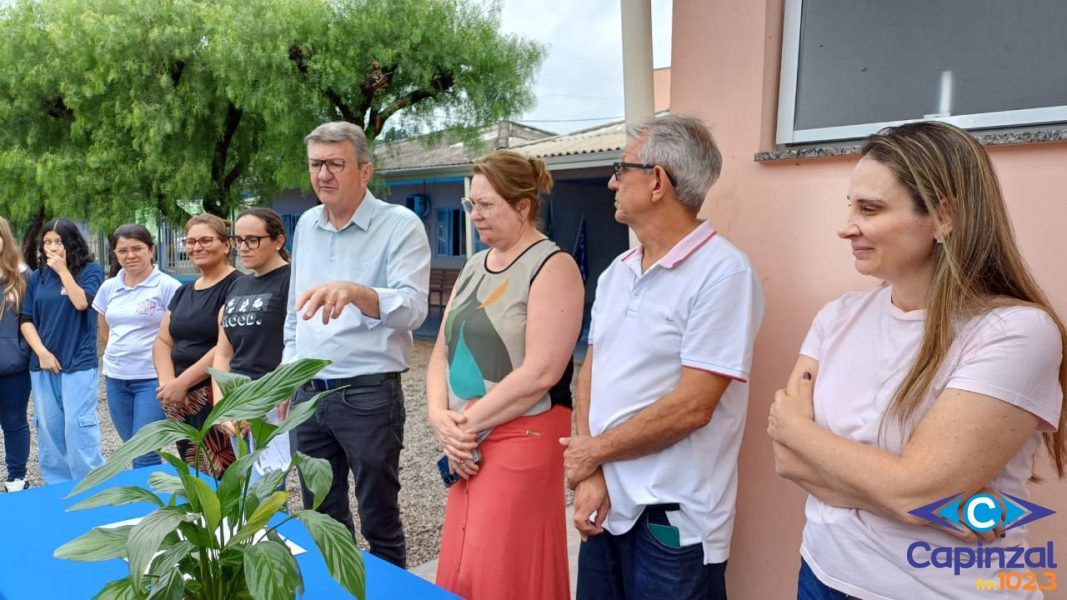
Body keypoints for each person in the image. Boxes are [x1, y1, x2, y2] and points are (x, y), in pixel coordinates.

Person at [767, 121, 1066, 599]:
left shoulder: (1015, 332)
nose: (846, 226)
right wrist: (917, 499)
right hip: (823, 575)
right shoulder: (836, 317)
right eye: (851, 206)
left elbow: (917, 491)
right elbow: (787, 462)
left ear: (944, 217)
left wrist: (799, 431)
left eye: (871, 208)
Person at [561, 115, 765, 600]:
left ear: (657, 181)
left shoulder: (724, 274)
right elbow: (592, 367)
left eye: (621, 168)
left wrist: (594, 452)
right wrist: (591, 472)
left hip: (672, 520)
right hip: (608, 502)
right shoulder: (618, 271)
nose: (611, 180)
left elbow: (694, 406)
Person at [429, 150, 584, 599]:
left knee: (502, 558)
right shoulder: (476, 264)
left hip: (522, 433)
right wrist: (441, 418)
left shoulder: (552, 267)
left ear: (523, 206)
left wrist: (464, 428)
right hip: (467, 438)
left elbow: (542, 372)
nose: (475, 216)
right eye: (470, 205)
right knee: (463, 557)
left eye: (486, 205)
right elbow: (441, 350)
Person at [284, 121, 431, 568]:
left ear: (364, 172)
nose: (323, 174)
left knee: (378, 518)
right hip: (308, 394)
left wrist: (360, 293)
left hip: (367, 395)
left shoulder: (399, 225)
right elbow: (296, 313)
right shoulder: (307, 224)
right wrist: (285, 380)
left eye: (335, 164)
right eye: (315, 165)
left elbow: (415, 309)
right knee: (321, 518)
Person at [153, 214, 241, 475]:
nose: (196, 247)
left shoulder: (238, 286)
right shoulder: (184, 291)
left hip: (216, 393)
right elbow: (162, 340)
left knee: (227, 474)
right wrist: (169, 382)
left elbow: (226, 345)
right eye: (190, 241)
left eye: (206, 240)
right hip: (181, 399)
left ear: (227, 245)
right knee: (196, 472)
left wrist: (183, 383)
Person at [19, 218, 105, 484]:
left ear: (72, 243)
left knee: (78, 427)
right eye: (47, 242)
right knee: (49, 428)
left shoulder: (91, 271)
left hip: (78, 363)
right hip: (43, 364)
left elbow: (82, 303)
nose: (52, 247)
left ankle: (90, 486)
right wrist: (42, 353)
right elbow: (26, 319)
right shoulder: (37, 277)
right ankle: (58, 488)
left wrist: (64, 271)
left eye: (58, 241)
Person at [212, 208, 292, 479]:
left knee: (263, 491)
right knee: (245, 490)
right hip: (236, 399)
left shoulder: (292, 281)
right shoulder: (239, 285)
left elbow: (298, 345)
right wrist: (221, 407)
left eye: (252, 240)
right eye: (238, 240)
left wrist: (258, 405)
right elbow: (223, 353)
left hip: (272, 402)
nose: (243, 247)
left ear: (278, 241)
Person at [94, 224, 181, 468]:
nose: (130, 255)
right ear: (115, 254)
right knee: (131, 447)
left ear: (151, 250)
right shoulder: (109, 287)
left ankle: (151, 503)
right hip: (116, 377)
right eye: (123, 251)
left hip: (151, 379)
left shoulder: (167, 286)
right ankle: (148, 498)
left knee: (145, 451)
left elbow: (177, 331)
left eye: (137, 248)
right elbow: (104, 326)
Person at [0, 217, 31, 491]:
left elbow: (31, 320)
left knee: (13, 421)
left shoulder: (21, 278)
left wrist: (21, 351)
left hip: (12, 368)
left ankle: (17, 478)